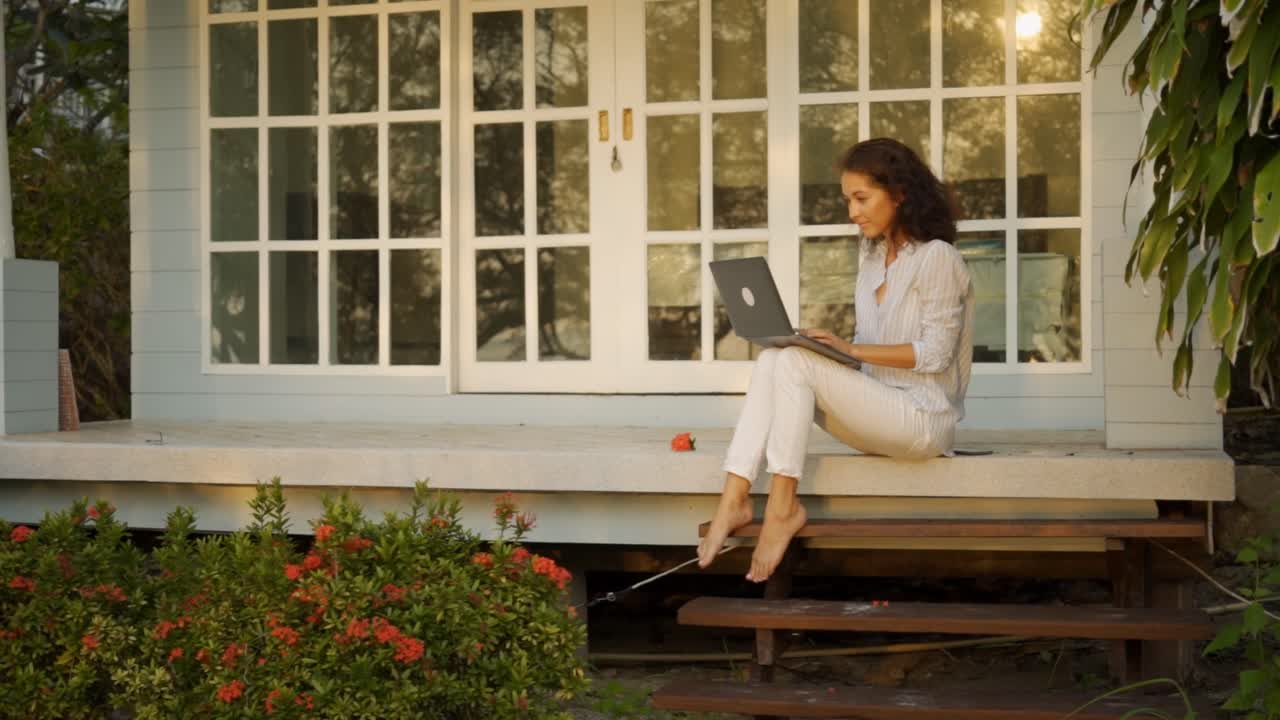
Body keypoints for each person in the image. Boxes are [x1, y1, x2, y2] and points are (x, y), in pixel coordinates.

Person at [697, 137, 975, 583]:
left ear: (899, 194)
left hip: (923, 421)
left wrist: (849, 350)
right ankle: (735, 496)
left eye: (861, 198)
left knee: (790, 362)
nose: (852, 212)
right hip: (881, 410)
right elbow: (865, 359)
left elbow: (936, 355)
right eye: (848, 199)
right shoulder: (871, 258)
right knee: (777, 356)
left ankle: (784, 507)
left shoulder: (937, 257)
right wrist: (829, 353)